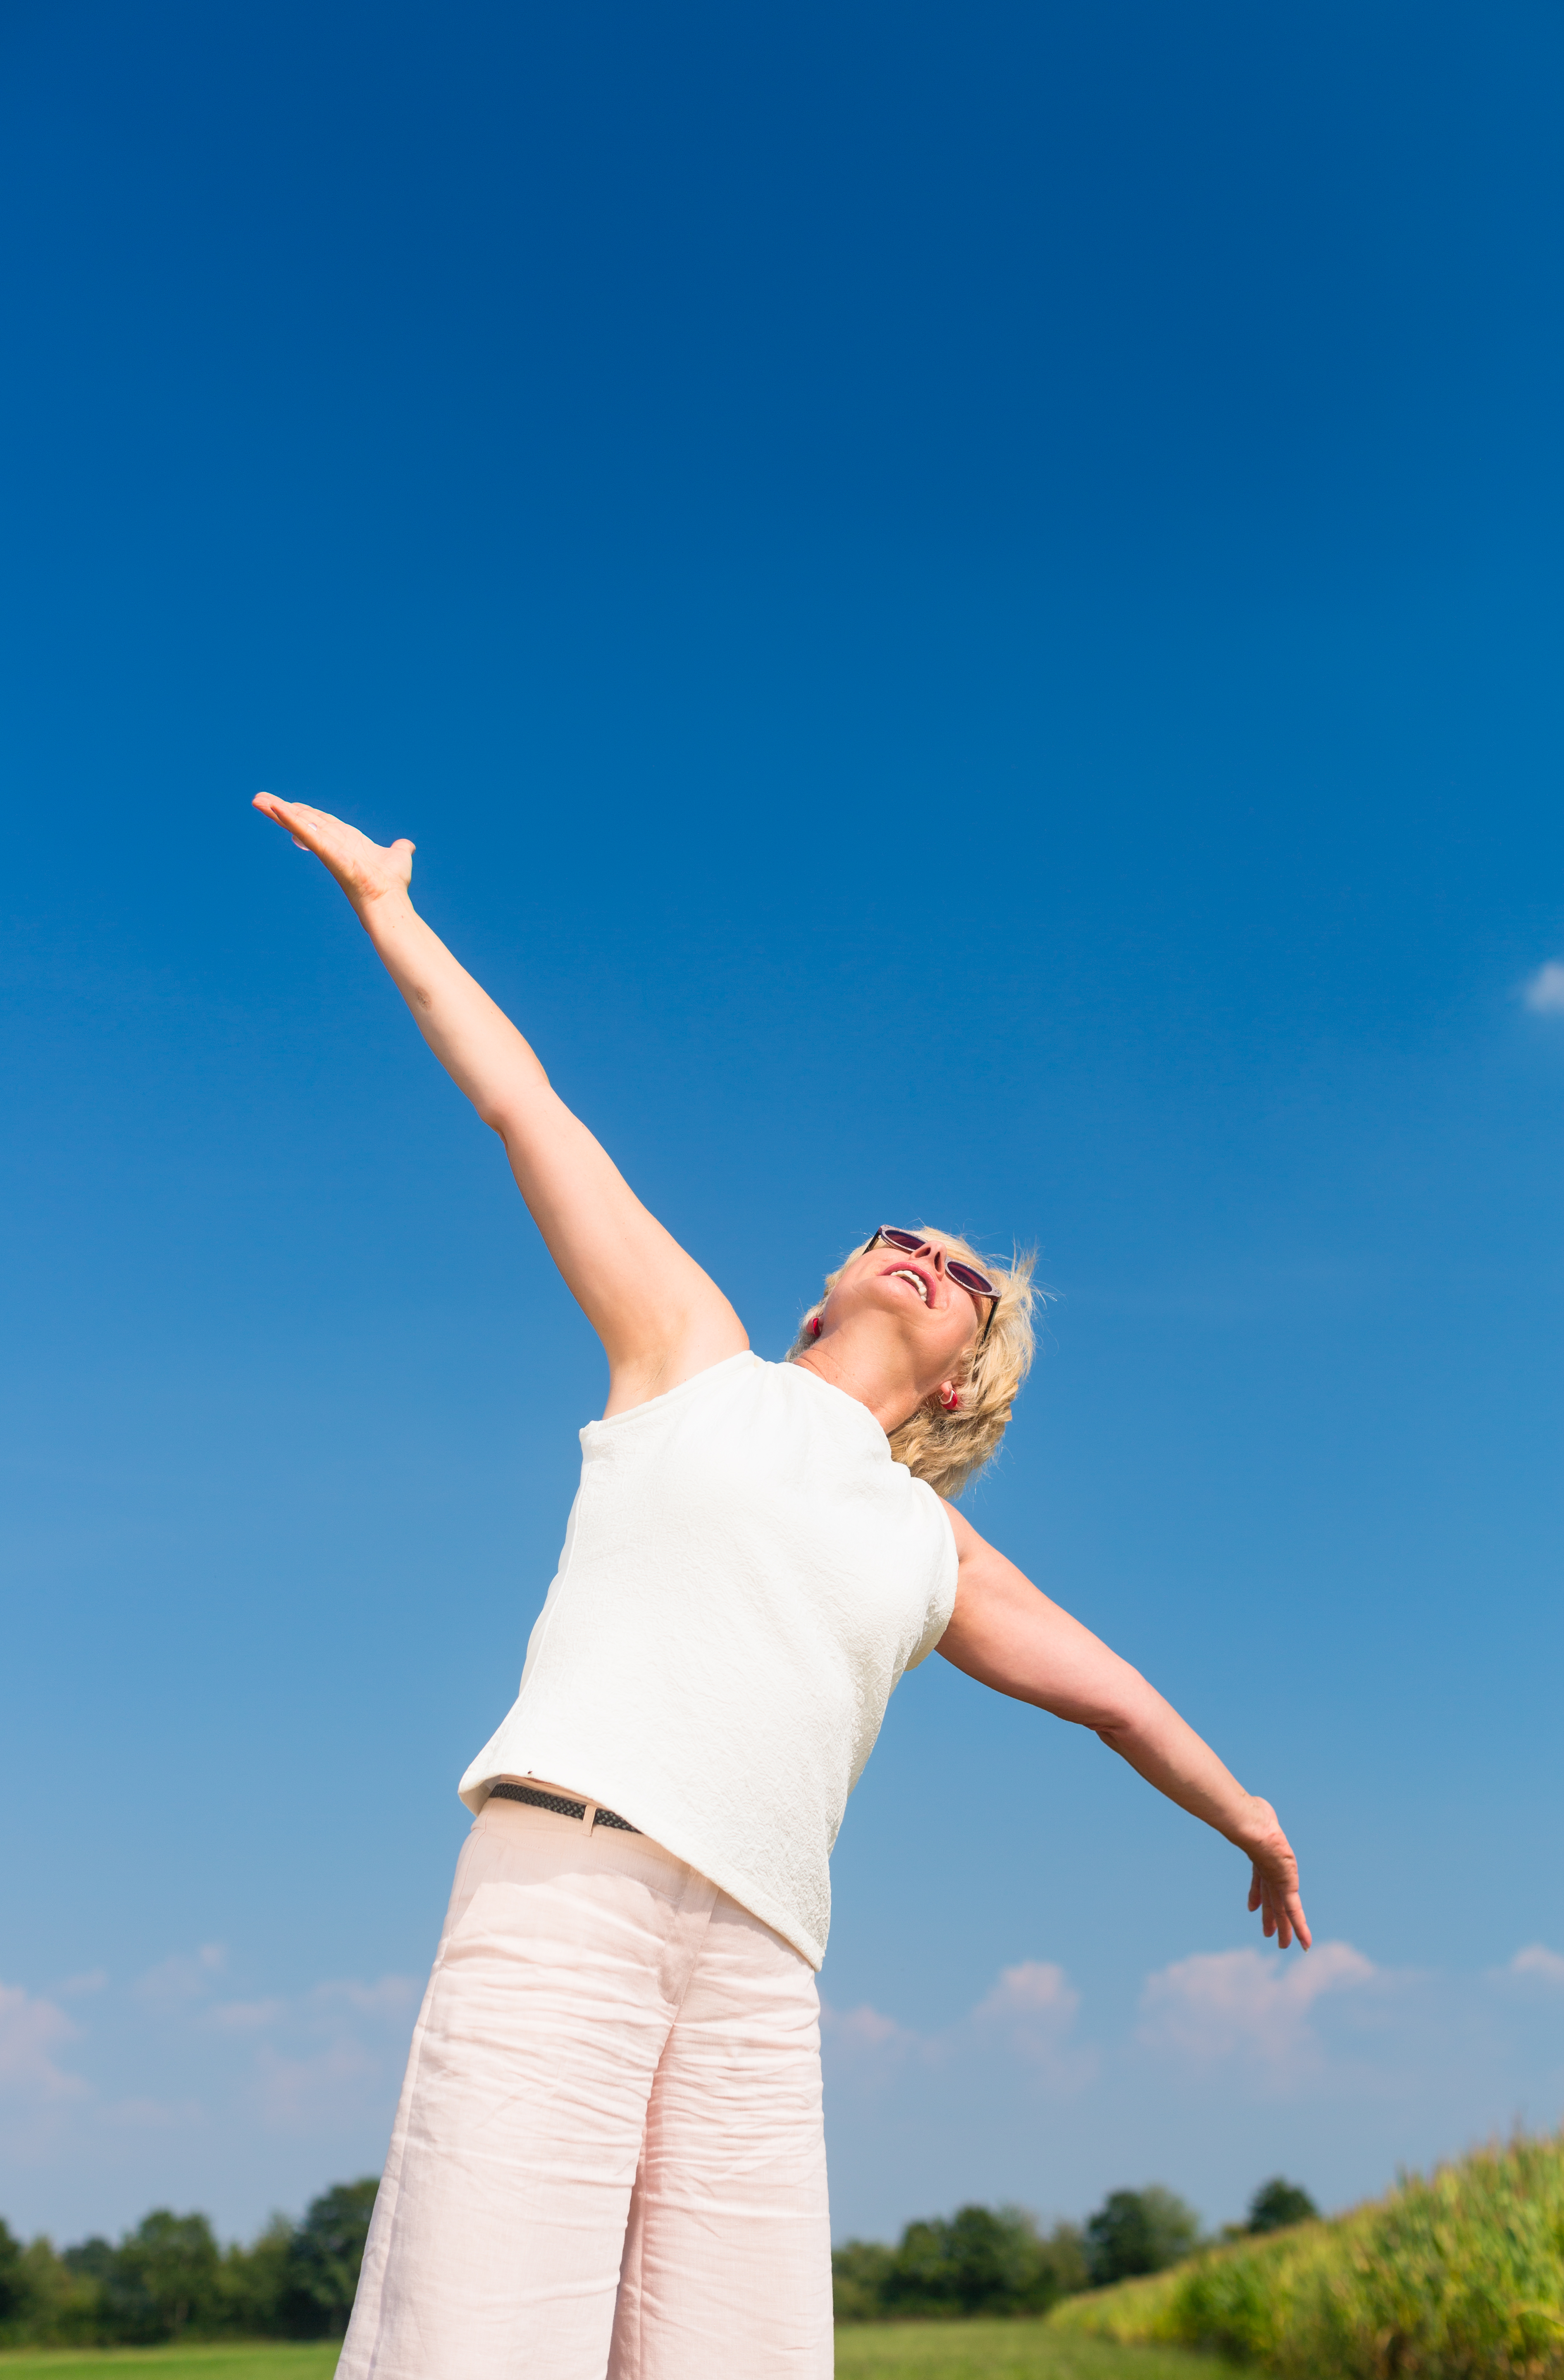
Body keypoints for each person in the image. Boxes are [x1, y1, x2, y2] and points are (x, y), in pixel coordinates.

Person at [253, 792, 1310, 2380]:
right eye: (901, 1238)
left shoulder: (930, 1546)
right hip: (572, 1891)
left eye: (964, 1277)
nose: (923, 1259)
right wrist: (391, 910)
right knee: (474, 2338)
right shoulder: (688, 1355)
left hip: (761, 1965)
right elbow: (531, 1110)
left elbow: (1115, 1696)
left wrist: (1250, 1816)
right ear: (826, 1291)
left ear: (968, 1383)